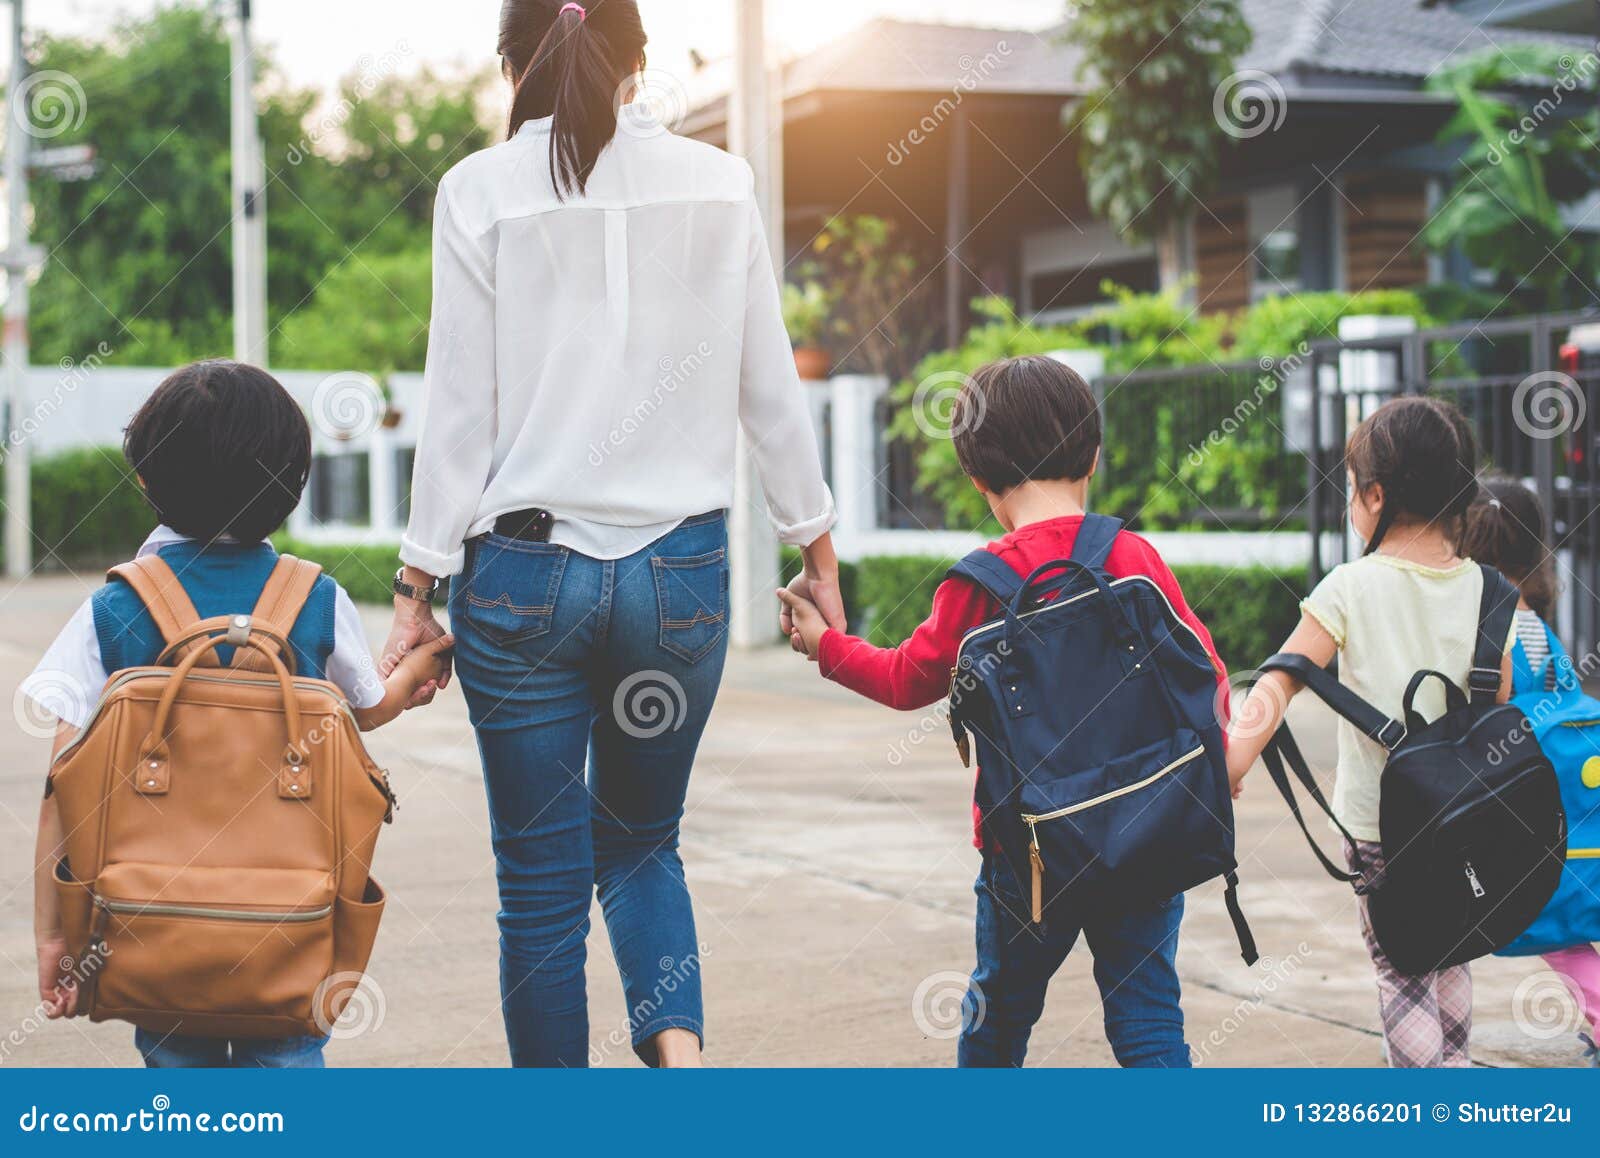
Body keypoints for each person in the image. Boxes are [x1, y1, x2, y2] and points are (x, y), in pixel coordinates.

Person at [385, 0, 840, 1067]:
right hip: (678, 574)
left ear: (511, 61)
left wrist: (415, 590)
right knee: (642, 846)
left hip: (522, 581)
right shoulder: (720, 182)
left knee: (540, 889)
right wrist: (816, 554)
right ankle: (680, 1067)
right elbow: (768, 386)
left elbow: (458, 409)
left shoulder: (476, 192)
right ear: (641, 62)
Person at [778, 355, 1226, 1067]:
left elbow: (904, 679)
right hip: (1145, 833)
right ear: (1094, 455)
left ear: (978, 477)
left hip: (1030, 857)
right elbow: (1206, 671)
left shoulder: (979, 584)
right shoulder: (1132, 556)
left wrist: (824, 643)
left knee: (998, 1020)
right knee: (1147, 1022)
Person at [26, 360, 452, 1068]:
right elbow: (370, 710)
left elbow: (59, 789)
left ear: (144, 481)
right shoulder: (314, 598)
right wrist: (420, 665)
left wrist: (54, 938)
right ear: (292, 490)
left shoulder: (113, 608)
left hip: (152, 928)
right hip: (293, 923)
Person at [1225, 396, 1512, 1068]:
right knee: (1451, 956)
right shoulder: (1491, 590)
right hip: (1466, 820)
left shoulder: (1349, 588)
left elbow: (1279, 681)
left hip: (1382, 828)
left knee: (1402, 973)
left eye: (1350, 490)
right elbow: (1497, 697)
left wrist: (1230, 763)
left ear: (1377, 497)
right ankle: (1457, 1078)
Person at [1463, 475, 1600, 1066]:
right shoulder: (1537, 626)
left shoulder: (1489, 626)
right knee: (1572, 915)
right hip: (1571, 799)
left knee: (1550, 925)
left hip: (1528, 802)